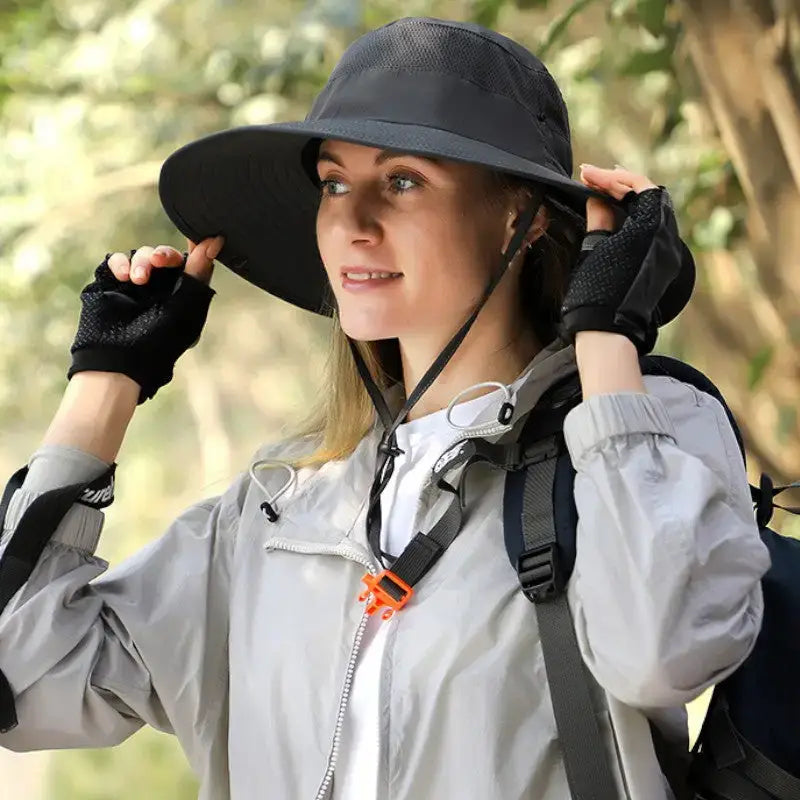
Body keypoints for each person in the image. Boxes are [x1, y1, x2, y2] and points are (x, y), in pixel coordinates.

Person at [0, 16, 770, 800]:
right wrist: (106, 382)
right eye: (334, 182)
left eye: (402, 181)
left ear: (524, 217)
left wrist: (607, 334)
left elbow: (667, 651)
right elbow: (25, 689)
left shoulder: (644, 433)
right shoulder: (281, 508)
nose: (351, 222)